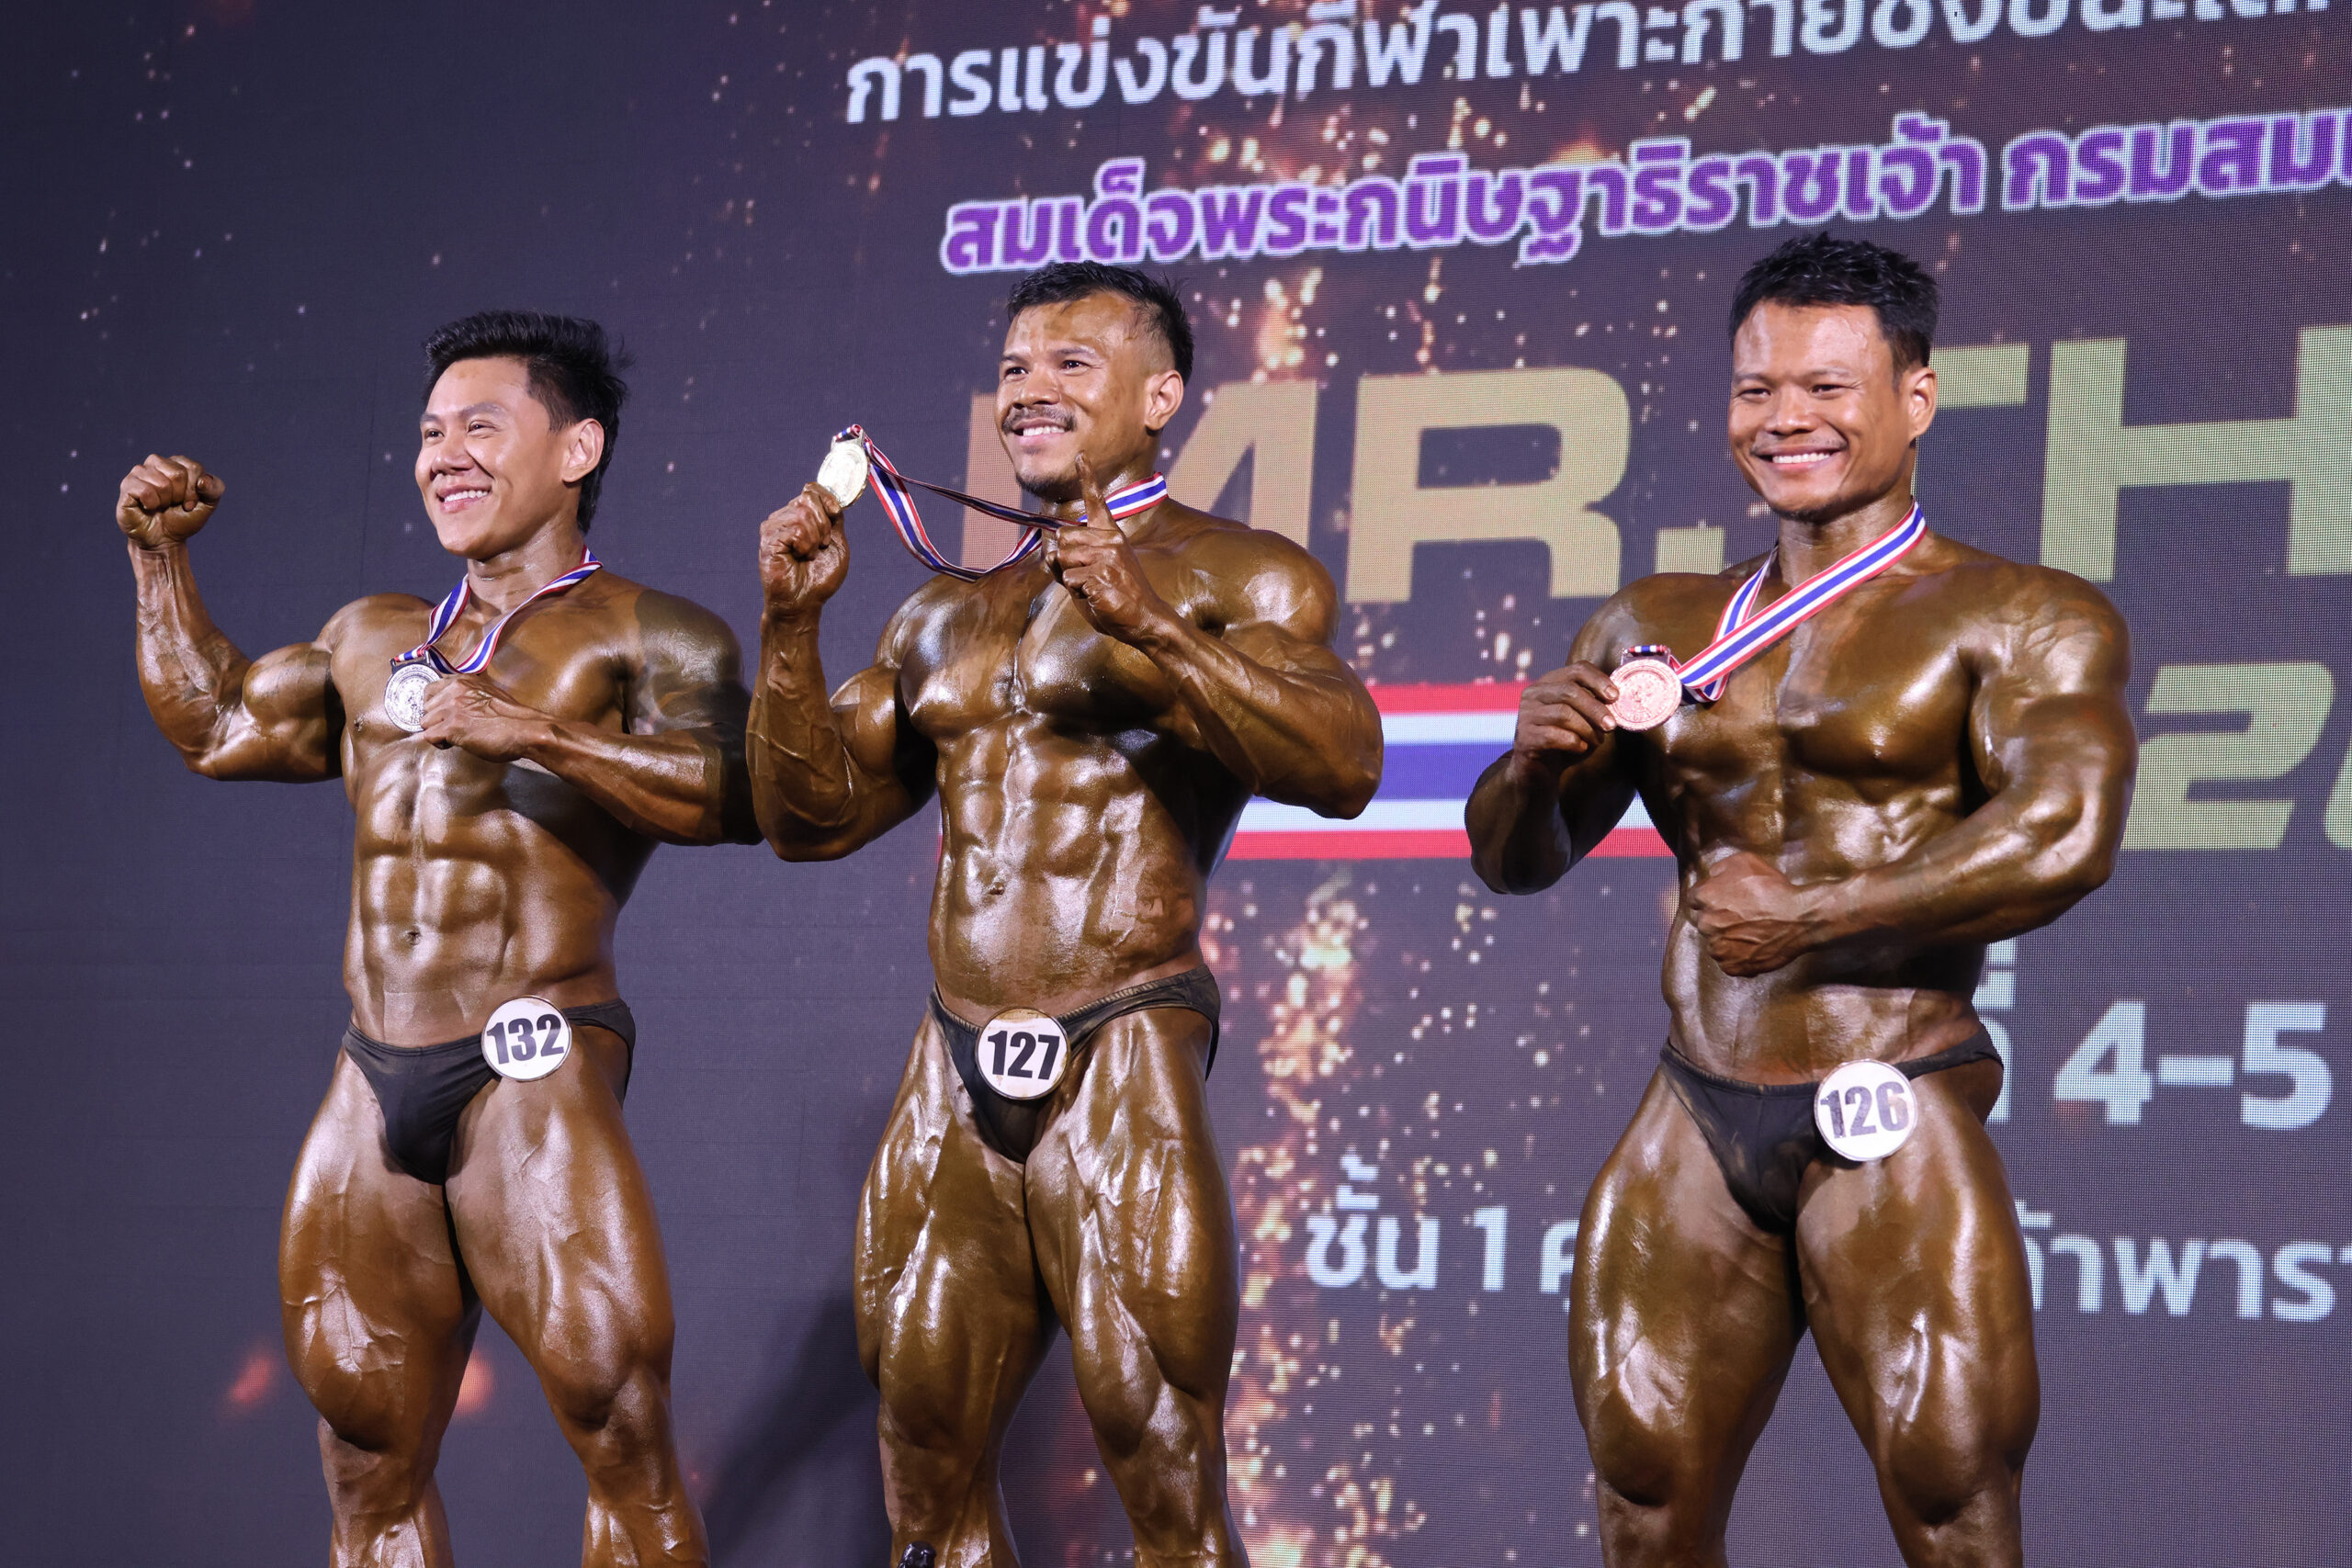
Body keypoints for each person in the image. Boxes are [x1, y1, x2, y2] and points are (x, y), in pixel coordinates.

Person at [1465, 234, 2135, 1568]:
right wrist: (1530, 768)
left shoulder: (2020, 614)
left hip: (1889, 1086)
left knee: (1951, 1497)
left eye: (1827, 389)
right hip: (1697, 1097)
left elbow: (2064, 837)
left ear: (1916, 398)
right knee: (1641, 1493)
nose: (1786, 420)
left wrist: (1813, 919)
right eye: (1757, 390)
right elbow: (1516, 859)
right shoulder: (1656, 621)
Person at [747, 261, 1382, 1566]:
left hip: (1122, 1037)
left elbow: (1344, 765)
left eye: (1070, 366)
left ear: (1161, 397)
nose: (1031, 391)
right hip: (956, 1057)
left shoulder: (1241, 573)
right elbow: (810, 822)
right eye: (1015, 370)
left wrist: (1150, 625)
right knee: (923, 1466)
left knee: (1161, 1464)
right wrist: (791, 632)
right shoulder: (944, 613)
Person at [117, 310, 755, 1567]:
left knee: (619, 1424)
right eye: (428, 433)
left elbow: (748, 797)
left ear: (577, 449)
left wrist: (540, 736)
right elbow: (218, 728)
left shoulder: (649, 632)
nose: (443, 456)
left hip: (534, 1051)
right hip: (374, 1068)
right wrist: (157, 561)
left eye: (479, 427)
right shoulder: (371, 633)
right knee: (365, 1454)